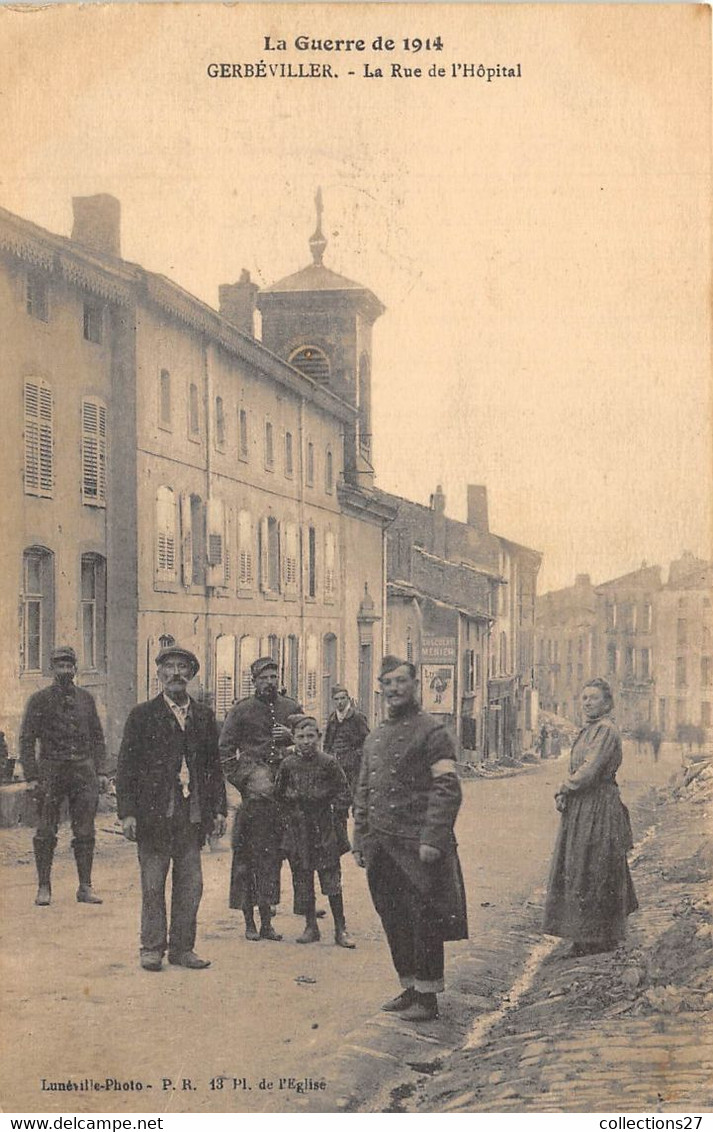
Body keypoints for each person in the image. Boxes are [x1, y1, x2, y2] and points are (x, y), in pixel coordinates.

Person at [353, 656, 468, 1023]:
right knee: (393, 916)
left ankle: (428, 995)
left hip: (417, 845)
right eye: (387, 683)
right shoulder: (376, 735)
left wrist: (433, 837)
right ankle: (409, 985)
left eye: (401, 681)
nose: (394, 689)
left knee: (423, 918)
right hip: (381, 845)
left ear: (415, 684)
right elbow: (365, 788)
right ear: (380, 688)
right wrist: (360, 837)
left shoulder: (432, 732)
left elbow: (447, 787)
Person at [116, 645, 227, 971]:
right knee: (153, 885)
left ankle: (182, 949)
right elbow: (126, 768)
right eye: (169, 667)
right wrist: (127, 813)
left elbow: (212, 767)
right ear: (159, 674)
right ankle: (151, 948)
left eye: (183, 667)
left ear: (191, 675)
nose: (176, 673)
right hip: (154, 816)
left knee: (191, 885)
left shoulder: (203, 716)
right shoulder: (142, 715)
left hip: (191, 816)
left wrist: (219, 809)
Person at [543, 677, 638, 957]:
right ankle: (584, 935)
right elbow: (579, 769)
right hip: (583, 806)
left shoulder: (606, 730)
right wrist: (567, 793)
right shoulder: (589, 730)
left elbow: (590, 769)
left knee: (594, 868)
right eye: (584, 698)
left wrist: (565, 787)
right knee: (579, 868)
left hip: (599, 807)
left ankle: (597, 937)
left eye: (593, 698)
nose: (587, 702)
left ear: (607, 703)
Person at [219, 657, 301, 942]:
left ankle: (267, 922)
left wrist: (291, 736)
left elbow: (309, 742)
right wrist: (245, 779)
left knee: (272, 861)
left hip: (281, 799)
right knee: (247, 860)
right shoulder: (241, 711)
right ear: (253, 681)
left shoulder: (291, 708)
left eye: (273, 677)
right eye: (263, 678)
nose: (269, 682)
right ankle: (249, 922)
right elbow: (226, 752)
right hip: (253, 801)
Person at [19, 645, 108, 907]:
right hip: (51, 771)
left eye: (69, 666)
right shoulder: (39, 700)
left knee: (85, 830)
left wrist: (101, 771)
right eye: (60, 666)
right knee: (46, 830)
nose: (65, 670)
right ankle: (44, 886)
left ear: (75, 669)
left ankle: (85, 886)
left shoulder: (86, 699)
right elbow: (27, 740)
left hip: (83, 771)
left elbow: (97, 738)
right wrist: (32, 776)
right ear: (52, 669)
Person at [275, 715, 355, 948]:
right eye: (300, 737)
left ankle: (341, 929)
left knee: (331, 878)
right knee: (303, 877)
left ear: (319, 738)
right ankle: (311, 926)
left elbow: (344, 792)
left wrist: (333, 813)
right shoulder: (288, 764)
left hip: (324, 827)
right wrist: (290, 813)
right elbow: (279, 794)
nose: (306, 741)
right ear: (294, 739)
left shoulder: (328, 762)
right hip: (299, 829)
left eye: (311, 736)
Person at [324, 686, 370, 803]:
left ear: (348, 699)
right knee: (338, 800)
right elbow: (327, 743)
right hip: (337, 766)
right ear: (332, 701)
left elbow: (367, 741)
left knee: (356, 799)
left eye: (342, 698)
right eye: (336, 699)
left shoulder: (357, 717)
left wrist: (356, 755)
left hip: (354, 768)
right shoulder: (332, 719)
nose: (340, 702)